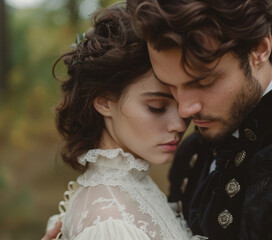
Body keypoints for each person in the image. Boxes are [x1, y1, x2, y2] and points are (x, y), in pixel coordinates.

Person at [126, 0, 272, 239]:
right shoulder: (191, 151)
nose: (185, 109)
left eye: (203, 82)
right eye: (171, 85)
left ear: (260, 49)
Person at [43, 4, 207, 240]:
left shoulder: (134, 185)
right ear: (104, 102)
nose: (181, 125)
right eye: (157, 107)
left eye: (181, 103)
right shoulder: (109, 222)